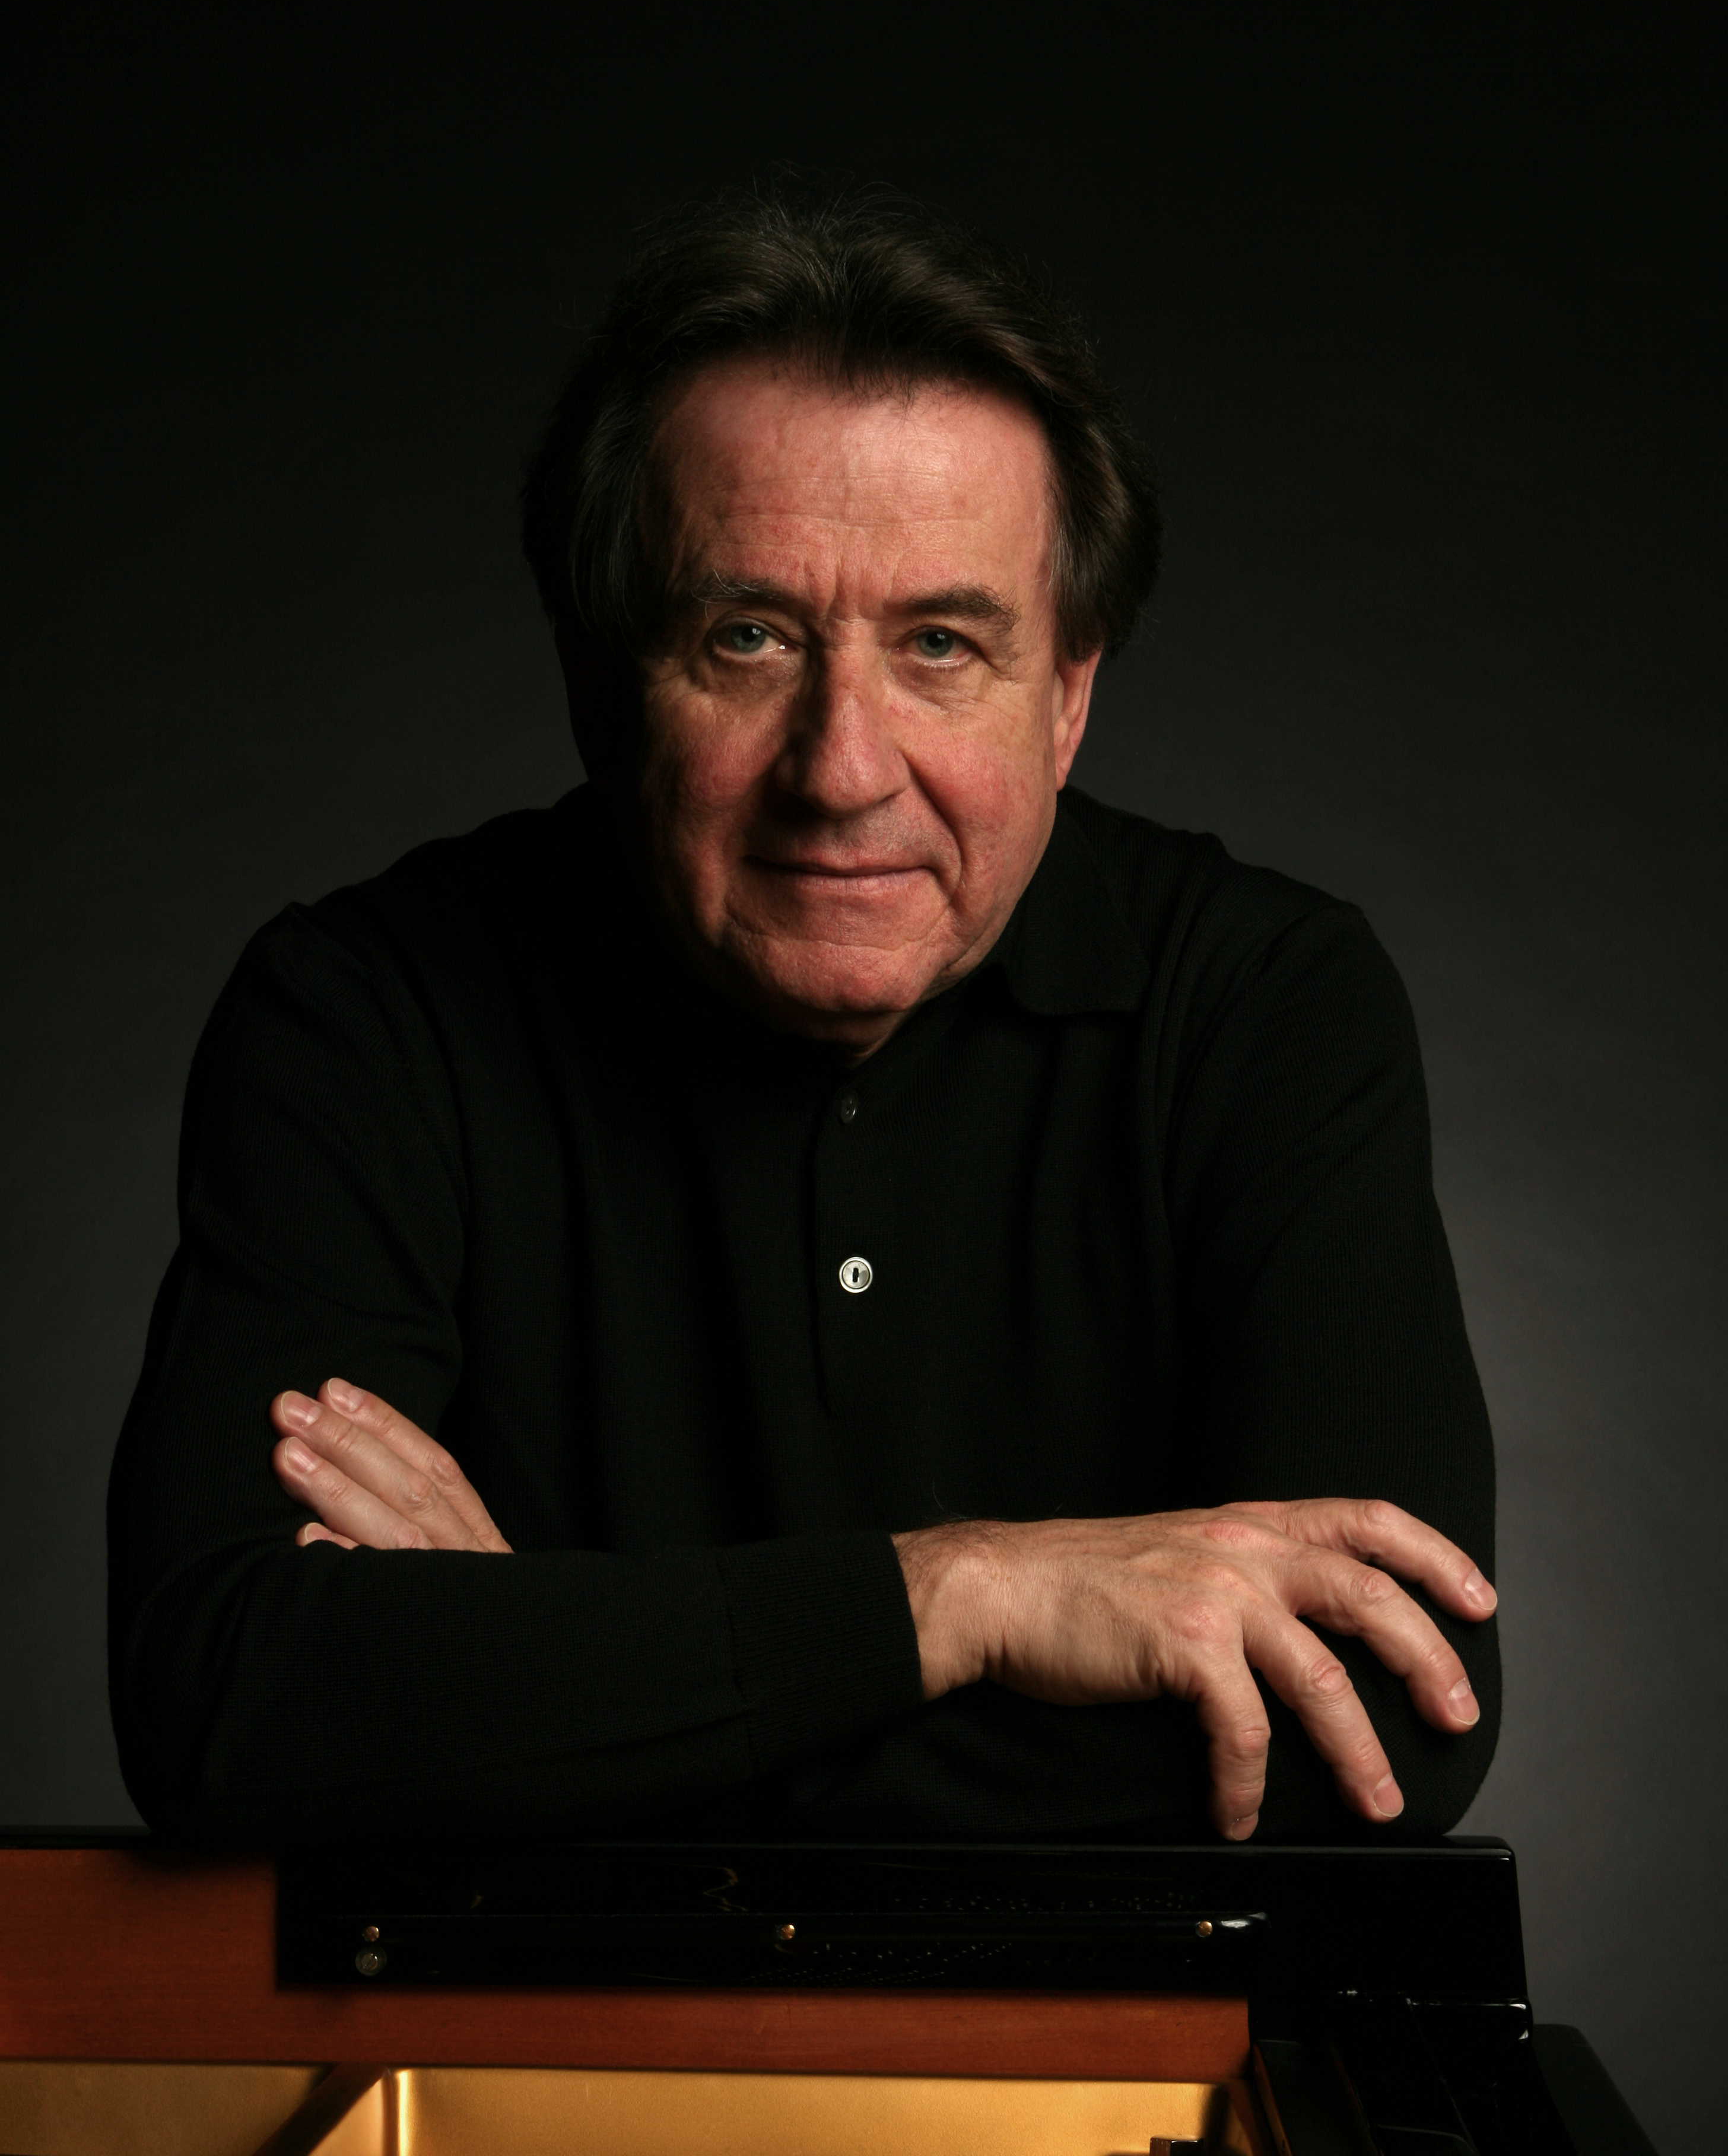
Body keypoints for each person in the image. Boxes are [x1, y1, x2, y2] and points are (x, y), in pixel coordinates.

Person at [107, 189, 1500, 1845]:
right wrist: (956, 1597)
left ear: (1068, 696)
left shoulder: (1268, 1006)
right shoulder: (364, 1015)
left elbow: (1379, 1742)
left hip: (1120, 2088)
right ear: (602, 676)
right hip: (533, 2086)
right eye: (748, 638)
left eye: (941, 646)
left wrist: (552, 1689)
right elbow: (229, 1707)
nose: (842, 769)